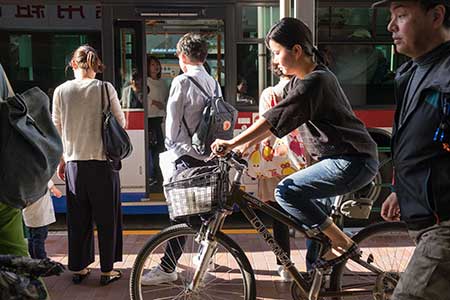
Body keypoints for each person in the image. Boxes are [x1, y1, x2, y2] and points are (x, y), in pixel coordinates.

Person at [212, 17, 379, 270]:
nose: (275, 61)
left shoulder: (315, 81)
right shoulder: (301, 81)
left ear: (297, 51)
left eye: (277, 53)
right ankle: (320, 280)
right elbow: (276, 125)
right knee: (317, 236)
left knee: (286, 191)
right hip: (340, 160)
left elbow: (272, 119)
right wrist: (242, 148)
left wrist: (233, 142)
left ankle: (343, 242)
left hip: (351, 161)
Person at [373, 1, 450, 299]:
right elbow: (424, 147)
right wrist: (401, 190)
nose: (391, 26)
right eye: (392, 17)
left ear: (436, 16)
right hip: (428, 221)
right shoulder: (412, 72)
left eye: (401, 15)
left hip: (442, 228)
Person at [141, 32, 219, 285]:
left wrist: (171, 148)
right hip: (209, 157)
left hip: (186, 157)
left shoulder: (182, 82)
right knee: (205, 212)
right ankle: (201, 257)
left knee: (180, 215)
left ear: (182, 56)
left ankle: (167, 268)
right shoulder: (213, 82)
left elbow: (172, 125)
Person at [52, 45, 125, 285]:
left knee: (78, 219)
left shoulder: (61, 91)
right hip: (102, 163)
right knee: (106, 219)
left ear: (73, 64)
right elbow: (121, 122)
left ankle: (80, 268)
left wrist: (62, 159)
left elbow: (57, 128)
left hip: (74, 164)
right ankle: (106, 271)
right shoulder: (105, 88)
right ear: (96, 66)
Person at [23, 180, 62, 259]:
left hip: (28, 216)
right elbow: (56, 191)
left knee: (31, 239)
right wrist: (54, 189)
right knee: (39, 240)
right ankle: (41, 260)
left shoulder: (24, 179)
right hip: (41, 216)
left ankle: (33, 258)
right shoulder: (42, 178)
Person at [146, 55, 169, 187]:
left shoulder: (163, 83)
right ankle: (152, 176)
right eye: (153, 64)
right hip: (149, 119)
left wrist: (162, 105)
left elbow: (166, 100)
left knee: (160, 149)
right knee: (152, 150)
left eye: (157, 64)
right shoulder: (146, 81)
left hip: (160, 118)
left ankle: (158, 176)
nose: (156, 67)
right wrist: (153, 102)